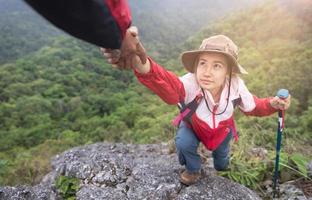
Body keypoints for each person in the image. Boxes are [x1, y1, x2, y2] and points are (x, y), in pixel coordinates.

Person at [101, 27, 291, 186]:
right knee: (184, 143)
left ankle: (222, 168)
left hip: (222, 132)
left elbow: (253, 107)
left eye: (217, 66)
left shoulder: (236, 86)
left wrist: (272, 104)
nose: (207, 72)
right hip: (193, 126)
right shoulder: (190, 82)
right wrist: (141, 63)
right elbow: (169, 85)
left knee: (222, 160)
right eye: (202, 63)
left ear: (228, 71)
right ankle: (193, 169)